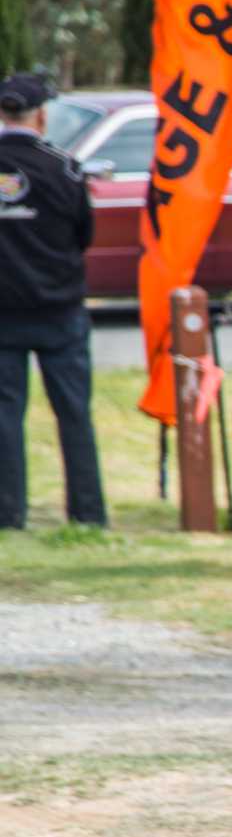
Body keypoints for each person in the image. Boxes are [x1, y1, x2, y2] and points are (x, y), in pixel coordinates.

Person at [0, 72, 105, 530]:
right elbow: (85, 235)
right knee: (75, 415)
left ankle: (8, 514)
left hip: (3, 313)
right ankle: (87, 515)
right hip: (60, 310)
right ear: (42, 115)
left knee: (5, 416)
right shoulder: (65, 168)